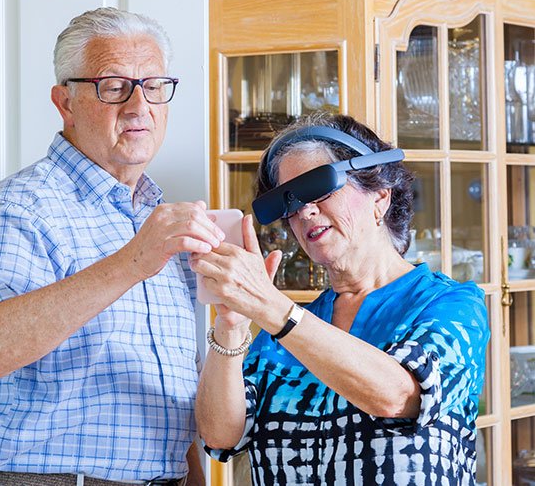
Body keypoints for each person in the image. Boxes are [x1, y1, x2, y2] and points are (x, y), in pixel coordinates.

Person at [0, 7, 218, 486]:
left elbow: (169, 408)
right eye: (114, 87)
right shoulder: (21, 206)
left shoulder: (161, 221)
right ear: (65, 102)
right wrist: (133, 261)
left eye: (154, 85)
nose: (139, 106)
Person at [192, 113, 489, 484]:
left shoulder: (450, 304)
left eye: (320, 189)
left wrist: (270, 306)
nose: (304, 211)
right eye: (290, 203)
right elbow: (221, 436)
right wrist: (230, 325)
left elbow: (399, 397)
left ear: (380, 196)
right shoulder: (282, 333)